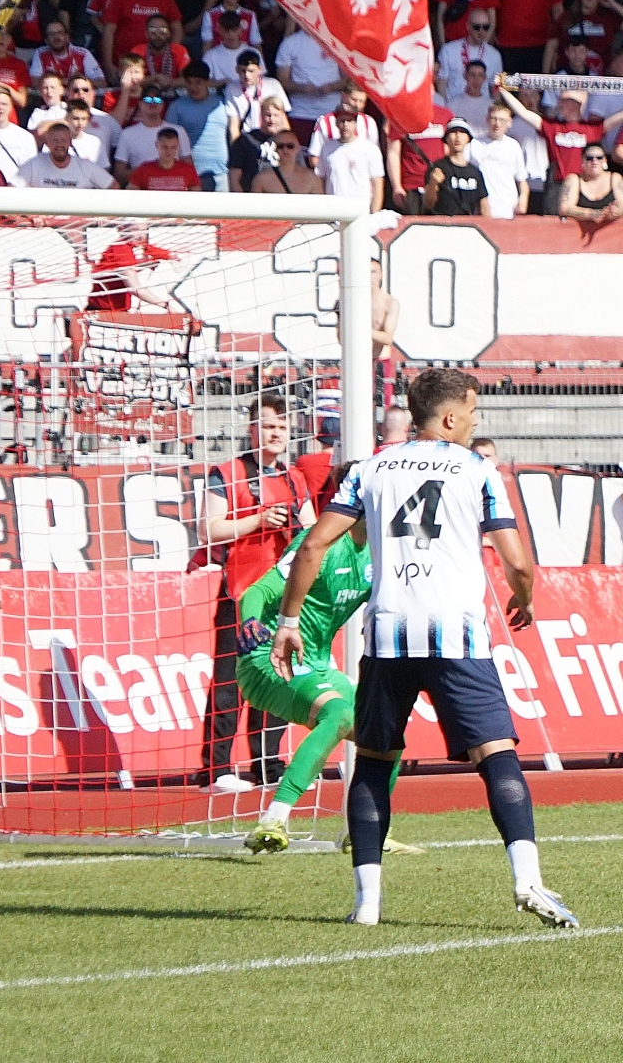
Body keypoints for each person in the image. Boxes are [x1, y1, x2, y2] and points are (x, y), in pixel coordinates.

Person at [276, 368, 577, 928]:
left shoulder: (369, 469)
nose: (476, 421)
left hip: (388, 636)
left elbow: (313, 545)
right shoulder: (476, 469)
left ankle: (367, 905)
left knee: (373, 761)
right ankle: (528, 881)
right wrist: (525, 598)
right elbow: (516, 562)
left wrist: (288, 621)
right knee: (496, 754)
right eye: (473, 411)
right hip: (457, 635)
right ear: (450, 416)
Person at [237, 511, 422, 856]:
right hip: (270, 656)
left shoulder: (380, 553)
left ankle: (366, 832)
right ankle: (272, 820)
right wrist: (249, 621)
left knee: (386, 733)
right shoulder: (318, 543)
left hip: (317, 663)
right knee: (338, 714)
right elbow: (257, 591)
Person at [199, 395, 316, 793]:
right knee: (230, 680)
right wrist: (259, 520)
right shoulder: (227, 473)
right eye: (268, 426)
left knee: (279, 676)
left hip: (282, 593)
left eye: (282, 426)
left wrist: (297, 528)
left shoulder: (294, 478)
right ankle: (214, 770)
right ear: (251, 430)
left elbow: (310, 530)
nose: (276, 433)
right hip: (240, 590)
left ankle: (268, 765)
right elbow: (209, 529)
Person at [165, 62, 229, 190]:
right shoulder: (176, 106)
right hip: (190, 173)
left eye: (198, 82)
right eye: (189, 82)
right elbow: (168, 138)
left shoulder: (223, 102)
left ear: (208, 82)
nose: (193, 87)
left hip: (222, 173)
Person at [317, 109, 385, 210]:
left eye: (349, 121)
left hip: (361, 211)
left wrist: (374, 214)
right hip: (334, 210)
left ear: (356, 123)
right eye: (342, 121)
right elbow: (320, 180)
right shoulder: (327, 148)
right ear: (336, 123)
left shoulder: (370, 149)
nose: (345, 125)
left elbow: (377, 184)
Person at [275, 27, 345, 125]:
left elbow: (347, 79)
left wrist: (331, 87)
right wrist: (302, 88)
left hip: (332, 112)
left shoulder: (336, 42)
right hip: (300, 113)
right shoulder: (290, 43)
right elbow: (282, 81)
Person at [19, 119, 115, 189]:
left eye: (63, 140)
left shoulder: (86, 166)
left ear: (70, 142)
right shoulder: (34, 164)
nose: (59, 144)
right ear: (47, 143)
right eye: (55, 140)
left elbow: (114, 187)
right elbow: (13, 187)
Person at [424, 117, 490, 216]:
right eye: (453, 132)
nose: (458, 136)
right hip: (441, 222)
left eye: (462, 132)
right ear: (446, 138)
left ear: (468, 138)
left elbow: (484, 206)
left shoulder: (475, 172)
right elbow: (428, 204)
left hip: (467, 223)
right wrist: (433, 183)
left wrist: (488, 223)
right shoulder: (437, 168)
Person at [476, 105, 534, 218]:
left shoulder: (513, 146)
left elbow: (521, 180)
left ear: (510, 123)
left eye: (502, 120)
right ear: (487, 119)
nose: (497, 124)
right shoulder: (474, 144)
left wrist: (523, 200)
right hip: (482, 210)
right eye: (494, 119)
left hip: (508, 209)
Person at [437, 9, 505, 101]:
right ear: (468, 26)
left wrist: (497, 107)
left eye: (485, 27)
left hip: (482, 107)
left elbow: (496, 87)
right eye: (477, 27)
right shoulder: (448, 50)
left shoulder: (495, 55)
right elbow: (441, 82)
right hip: (454, 106)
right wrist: (446, 106)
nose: (481, 31)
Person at [557, 141, 623, 220]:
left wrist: (617, 211)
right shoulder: (573, 179)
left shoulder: (615, 178)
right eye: (589, 158)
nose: (594, 161)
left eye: (599, 157)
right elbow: (565, 208)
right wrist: (591, 214)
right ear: (582, 161)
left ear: (605, 160)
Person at [0, 86, 37, 182]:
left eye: (4, 104)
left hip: (16, 189)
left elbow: (32, 172)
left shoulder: (25, 137)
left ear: (11, 106)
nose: (0, 108)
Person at [251, 125, 324, 193]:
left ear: (297, 148)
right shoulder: (261, 179)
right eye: (280, 146)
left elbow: (320, 202)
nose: (285, 150)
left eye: (290, 146)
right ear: (275, 149)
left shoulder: (311, 179)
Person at [128, 127, 204, 190]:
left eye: (173, 147)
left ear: (178, 146)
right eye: (165, 147)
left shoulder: (188, 170)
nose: (169, 151)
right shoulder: (144, 169)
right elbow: (129, 195)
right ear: (157, 145)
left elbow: (197, 198)